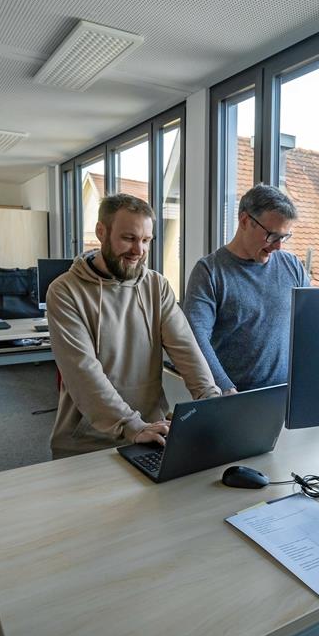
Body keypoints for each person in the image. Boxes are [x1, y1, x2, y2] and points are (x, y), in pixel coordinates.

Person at [47, 193, 221, 459]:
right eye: (129, 238)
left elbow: (185, 347)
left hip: (151, 433)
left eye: (146, 240)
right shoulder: (64, 291)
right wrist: (130, 424)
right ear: (101, 232)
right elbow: (83, 370)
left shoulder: (156, 286)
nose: (139, 251)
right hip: (87, 442)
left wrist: (209, 398)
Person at [183, 184, 309, 393]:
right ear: (244, 221)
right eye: (272, 235)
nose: (278, 246)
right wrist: (225, 388)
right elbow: (196, 338)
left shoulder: (292, 266)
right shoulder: (209, 271)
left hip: (284, 397)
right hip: (233, 399)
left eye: (284, 237)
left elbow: (310, 324)